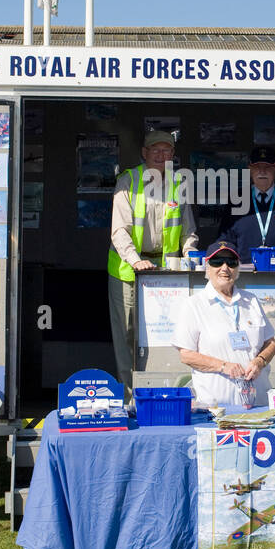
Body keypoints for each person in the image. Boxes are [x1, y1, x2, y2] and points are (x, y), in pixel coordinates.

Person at [107, 130, 198, 388]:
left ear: (172, 155)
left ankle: (161, 390)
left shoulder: (178, 183)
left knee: (164, 333)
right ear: (144, 153)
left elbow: (188, 231)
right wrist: (136, 261)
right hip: (127, 271)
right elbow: (119, 230)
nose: (161, 155)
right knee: (127, 336)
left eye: (166, 150)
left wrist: (190, 252)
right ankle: (129, 396)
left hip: (165, 274)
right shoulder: (128, 181)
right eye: (155, 150)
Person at [172, 241, 275, 408]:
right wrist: (223, 366)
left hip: (259, 405)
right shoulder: (193, 305)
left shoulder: (251, 300)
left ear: (238, 267)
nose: (224, 267)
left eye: (231, 262)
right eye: (217, 262)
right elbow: (186, 355)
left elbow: (270, 342)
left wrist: (259, 361)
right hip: (216, 408)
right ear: (207, 266)